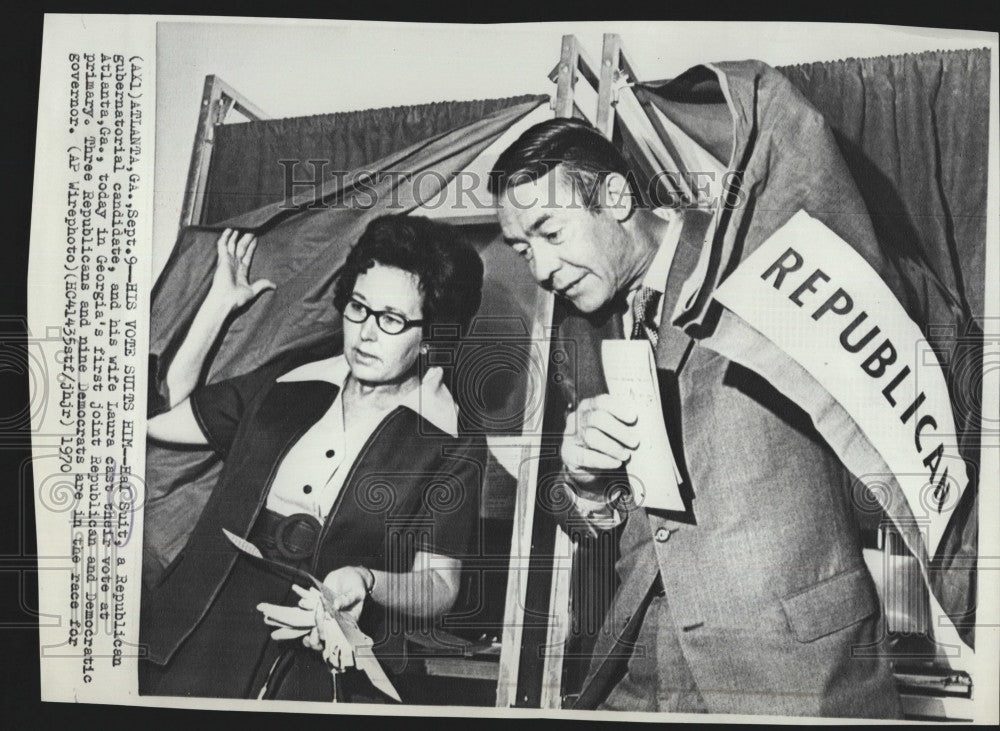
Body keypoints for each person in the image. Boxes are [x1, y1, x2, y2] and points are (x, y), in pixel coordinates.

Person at [488, 118, 902, 718]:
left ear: (615, 196)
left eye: (550, 232)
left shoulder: (757, 257)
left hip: (796, 668)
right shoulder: (583, 320)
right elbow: (619, 521)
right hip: (650, 666)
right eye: (524, 250)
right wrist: (584, 481)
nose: (541, 269)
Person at [139, 215, 485, 702]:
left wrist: (368, 581)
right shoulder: (289, 381)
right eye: (357, 308)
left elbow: (440, 585)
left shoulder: (451, 439)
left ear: (433, 334)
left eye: (390, 319)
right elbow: (158, 419)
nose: (365, 333)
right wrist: (218, 305)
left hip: (320, 654)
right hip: (204, 627)